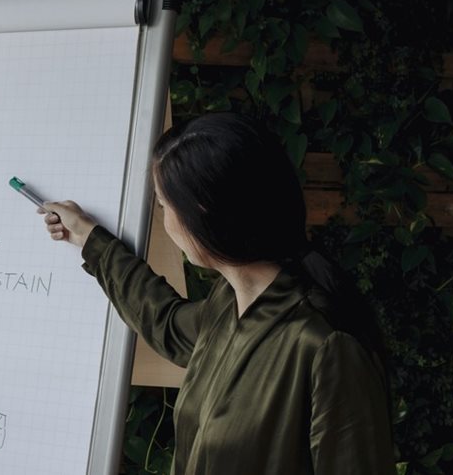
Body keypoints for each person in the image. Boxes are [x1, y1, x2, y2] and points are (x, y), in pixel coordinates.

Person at [35, 113, 395, 474]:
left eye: (163, 206)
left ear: (201, 211)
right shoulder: (230, 303)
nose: (165, 219)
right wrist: (89, 238)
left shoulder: (325, 344)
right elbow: (168, 323)